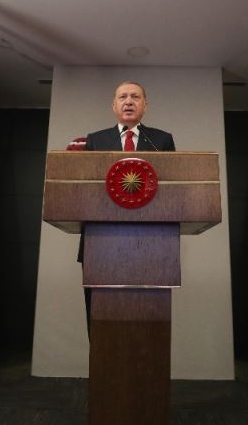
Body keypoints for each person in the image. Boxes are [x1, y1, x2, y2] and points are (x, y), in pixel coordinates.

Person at [79, 81, 176, 331]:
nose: (129, 102)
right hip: (101, 242)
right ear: (114, 105)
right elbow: (86, 189)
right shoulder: (95, 140)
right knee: (101, 320)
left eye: (135, 97)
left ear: (145, 105)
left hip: (151, 241)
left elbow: (172, 191)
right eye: (123, 97)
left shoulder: (161, 140)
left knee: (147, 318)